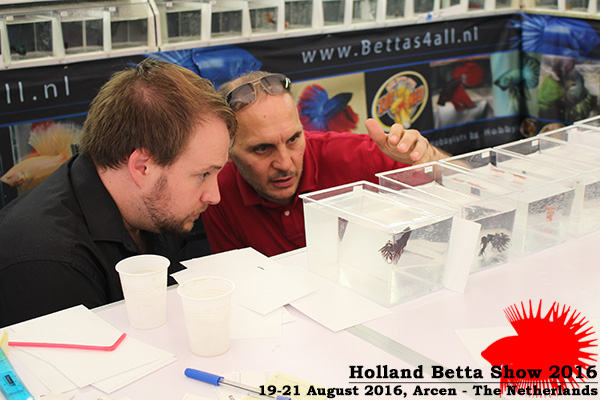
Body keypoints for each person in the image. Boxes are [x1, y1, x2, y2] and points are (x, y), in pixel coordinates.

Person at [0, 58, 236, 327]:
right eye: (203, 174)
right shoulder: (51, 263)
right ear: (142, 167)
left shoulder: (151, 207)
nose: (214, 196)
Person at [202, 71, 449, 257]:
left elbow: (466, 185)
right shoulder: (215, 191)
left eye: (293, 139)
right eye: (262, 148)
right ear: (228, 150)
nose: (285, 163)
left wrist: (430, 158)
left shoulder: (352, 155)